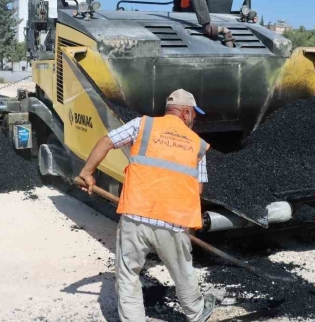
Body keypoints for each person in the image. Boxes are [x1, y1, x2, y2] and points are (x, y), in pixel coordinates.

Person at [78, 89, 216, 322]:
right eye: (193, 114)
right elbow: (197, 191)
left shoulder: (142, 125)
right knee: (183, 271)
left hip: (136, 214)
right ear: (185, 112)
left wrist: (87, 173)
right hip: (173, 221)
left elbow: (107, 141)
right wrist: (190, 226)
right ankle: (196, 312)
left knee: (128, 274)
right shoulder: (198, 145)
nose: (194, 119)